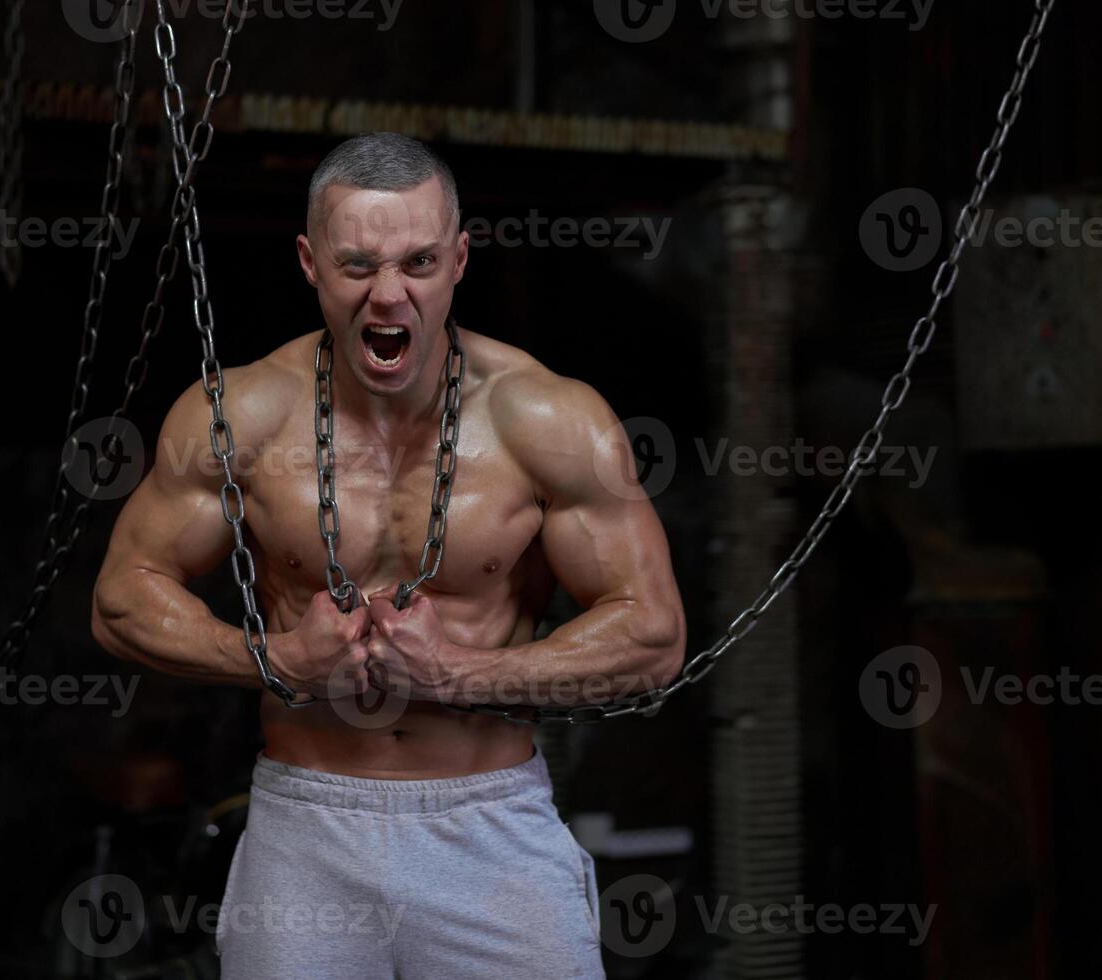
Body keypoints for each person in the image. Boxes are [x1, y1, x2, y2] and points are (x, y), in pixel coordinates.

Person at [91, 132, 686, 978]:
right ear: (310, 262)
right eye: (358, 263)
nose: (389, 294)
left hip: (490, 827)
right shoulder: (240, 416)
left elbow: (654, 637)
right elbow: (121, 600)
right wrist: (276, 660)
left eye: (418, 261)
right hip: (307, 825)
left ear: (459, 260)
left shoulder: (548, 421)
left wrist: (455, 676)